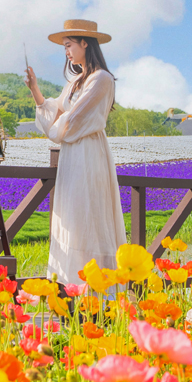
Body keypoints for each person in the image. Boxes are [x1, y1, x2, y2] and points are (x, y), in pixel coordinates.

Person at [23, 19, 126, 288]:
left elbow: (72, 121)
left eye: (69, 45)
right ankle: (70, 286)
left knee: (89, 215)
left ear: (84, 43)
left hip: (89, 154)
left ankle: (97, 290)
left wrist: (60, 126)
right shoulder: (75, 82)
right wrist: (34, 88)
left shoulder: (101, 79)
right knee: (72, 216)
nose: (66, 51)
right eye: (64, 47)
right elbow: (58, 114)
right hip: (72, 156)